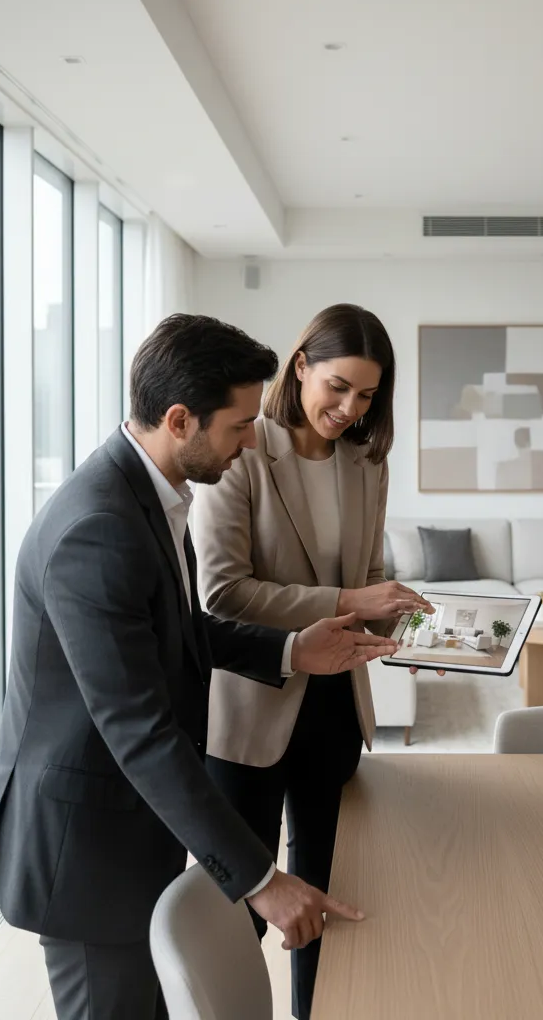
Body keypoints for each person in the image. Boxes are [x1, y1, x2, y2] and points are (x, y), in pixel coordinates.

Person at [0, 314, 397, 1020]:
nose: (250, 439)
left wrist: (292, 649)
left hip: (129, 831)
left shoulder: (151, 495)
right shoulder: (100, 529)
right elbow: (138, 729)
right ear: (179, 420)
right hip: (84, 850)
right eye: (237, 426)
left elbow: (181, 631)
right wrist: (262, 877)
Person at [193, 303, 432, 1018]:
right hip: (249, 712)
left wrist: (413, 625)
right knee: (241, 905)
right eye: (338, 386)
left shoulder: (366, 462)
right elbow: (221, 593)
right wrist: (349, 596)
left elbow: (363, 580)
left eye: (366, 395)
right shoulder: (242, 448)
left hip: (334, 706)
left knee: (329, 895)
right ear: (300, 367)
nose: (348, 408)